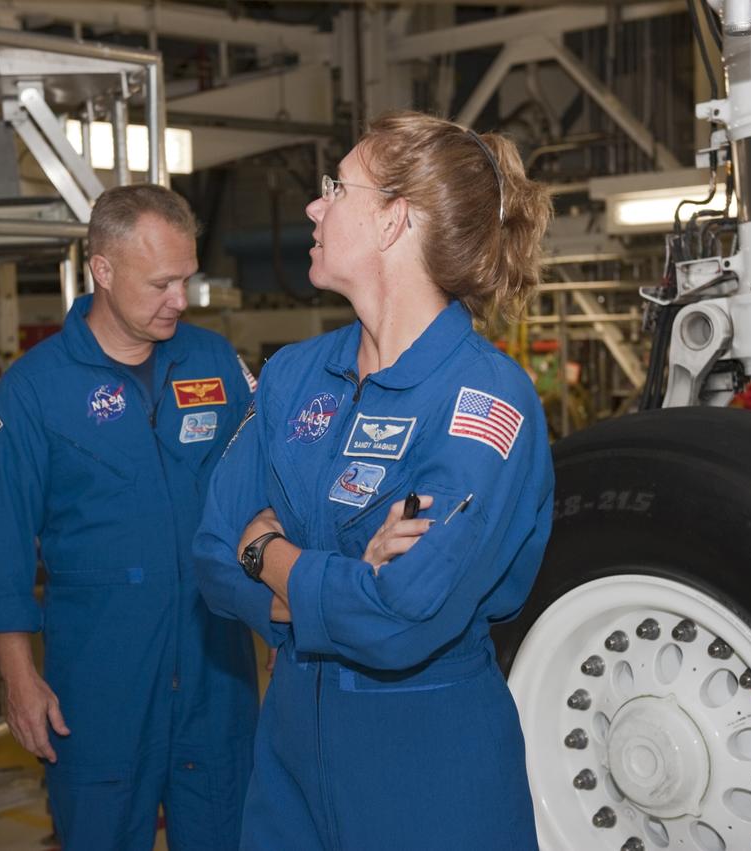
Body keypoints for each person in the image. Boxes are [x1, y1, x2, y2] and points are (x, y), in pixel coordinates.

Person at [193, 111, 555, 848]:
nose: (313, 206)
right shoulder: (296, 375)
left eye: (336, 188)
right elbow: (208, 550)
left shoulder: (481, 401)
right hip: (290, 767)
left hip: (427, 772)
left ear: (395, 222)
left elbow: (403, 619)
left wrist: (270, 554)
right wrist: (332, 591)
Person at [0, 185, 259, 851]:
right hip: (99, 681)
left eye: (186, 279)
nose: (180, 301)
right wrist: (18, 674)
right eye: (162, 283)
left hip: (217, 672)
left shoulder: (214, 365)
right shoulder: (34, 390)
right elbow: (2, 542)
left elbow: (264, 488)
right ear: (103, 270)